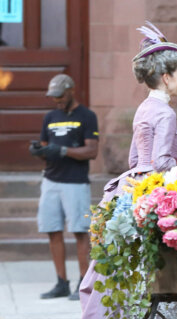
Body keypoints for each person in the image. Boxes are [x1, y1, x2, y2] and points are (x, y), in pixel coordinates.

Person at [73, 22, 177, 319]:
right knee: (155, 276)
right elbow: (162, 167)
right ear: (165, 76)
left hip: (130, 189)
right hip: (150, 192)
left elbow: (138, 162)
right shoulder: (164, 112)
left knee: (131, 276)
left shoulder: (145, 108)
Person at [29, 74, 99, 301]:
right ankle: (61, 283)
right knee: (52, 230)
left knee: (80, 232)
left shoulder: (87, 116)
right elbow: (45, 145)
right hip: (51, 180)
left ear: (71, 91)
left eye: (60, 96)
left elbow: (91, 151)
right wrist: (40, 151)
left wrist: (63, 151)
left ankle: (83, 282)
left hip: (75, 183)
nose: (57, 101)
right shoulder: (50, 116)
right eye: (53, 97)